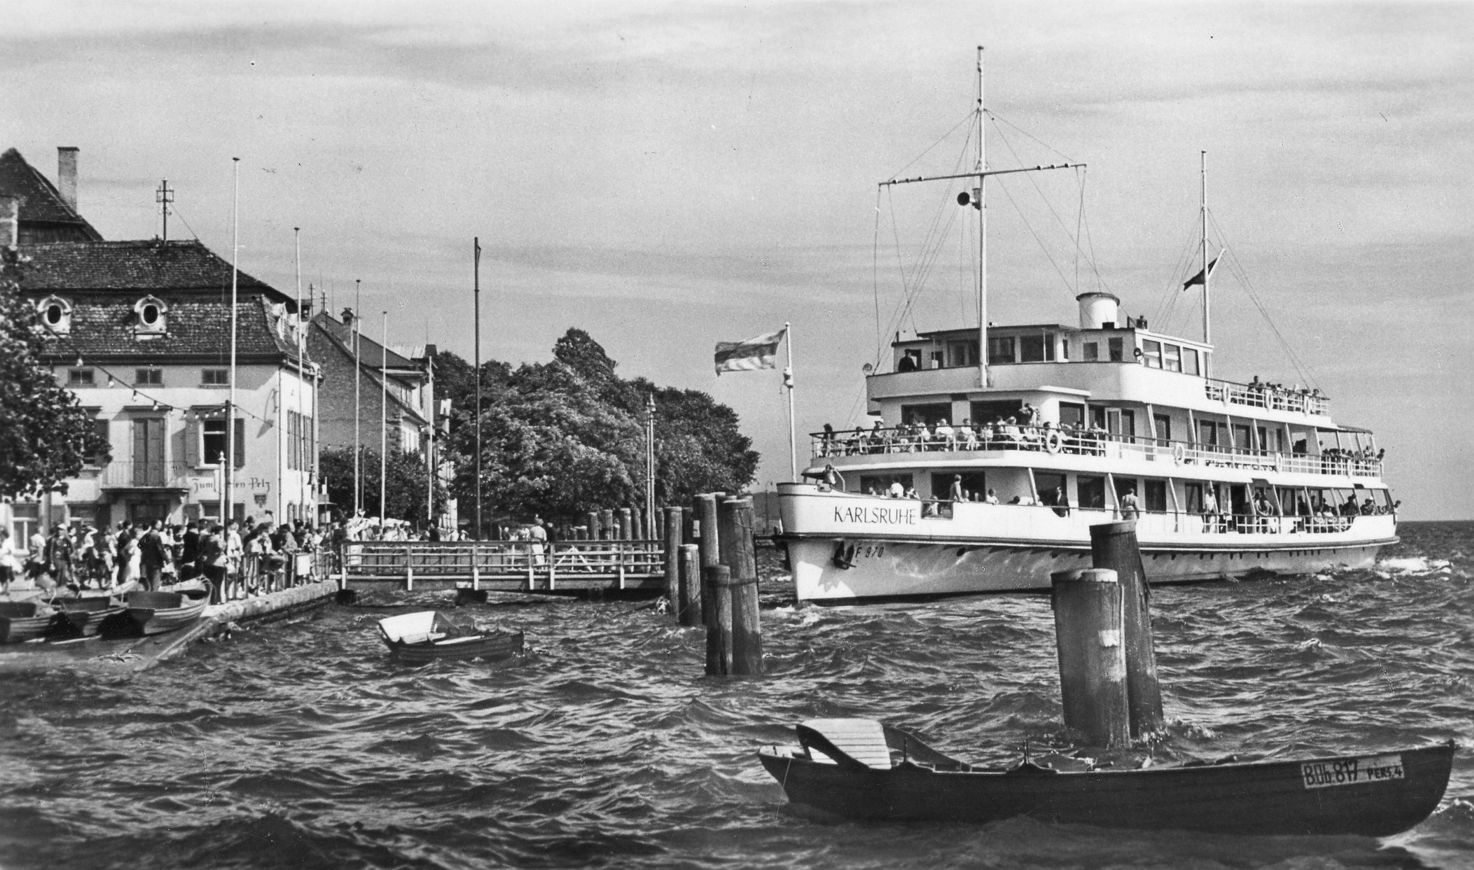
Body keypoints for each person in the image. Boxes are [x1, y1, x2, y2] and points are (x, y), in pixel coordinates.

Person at [138, 520, 169, 591]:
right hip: (156, 563)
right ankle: (154, 594)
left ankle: (150, 594)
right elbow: (160, 550)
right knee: (155, 582)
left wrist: (146, 551)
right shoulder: (156, 536)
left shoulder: (147, 535)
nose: (160, 526)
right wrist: (167, 559)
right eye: (159, 525)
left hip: (147, 561)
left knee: (149, 582)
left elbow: (139, 545)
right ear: (156, 525)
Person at [0, 529, 18, 594]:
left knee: (7, 576)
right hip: (1, 562)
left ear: (5, 535)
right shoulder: (1, 541)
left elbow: (12, 551)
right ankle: (3, 589)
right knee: (1, 577)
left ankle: (7, 589)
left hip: (7, 562)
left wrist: (6, 552)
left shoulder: (9, 541)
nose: (0, 536)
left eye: (1, 535)